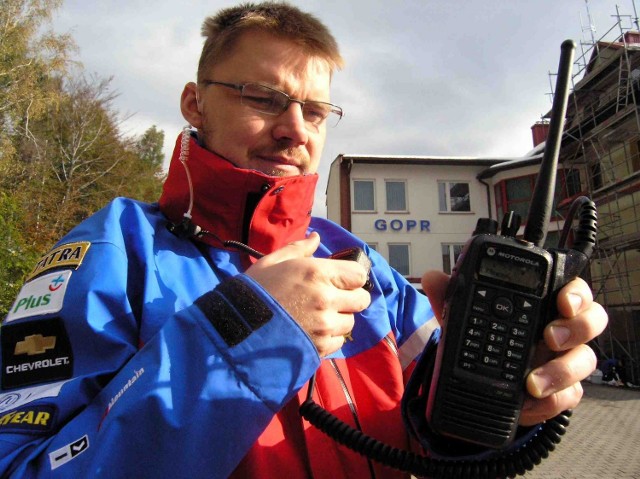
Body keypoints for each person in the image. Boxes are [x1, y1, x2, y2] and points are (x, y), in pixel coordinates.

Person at [0, 2, 608, 478]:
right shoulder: (114, 251)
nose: (295, 130)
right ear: (194, 103)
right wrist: (243, 327)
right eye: (264, 98)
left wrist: (510, 393)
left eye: (315, 112)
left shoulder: (366, 269)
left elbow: (442, 442)